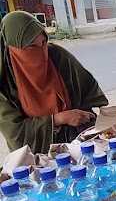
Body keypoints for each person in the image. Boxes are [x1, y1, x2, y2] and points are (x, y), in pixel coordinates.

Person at [0, 11, 107, 154]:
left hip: (77, 145)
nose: (41, 52)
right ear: (12, 50)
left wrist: (86, 116)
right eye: (31, 47)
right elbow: (17, 135)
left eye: (43, 42)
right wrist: (59, 119)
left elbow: (89, 88)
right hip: (34, 157)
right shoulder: (5, 82)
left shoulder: (56, 56)